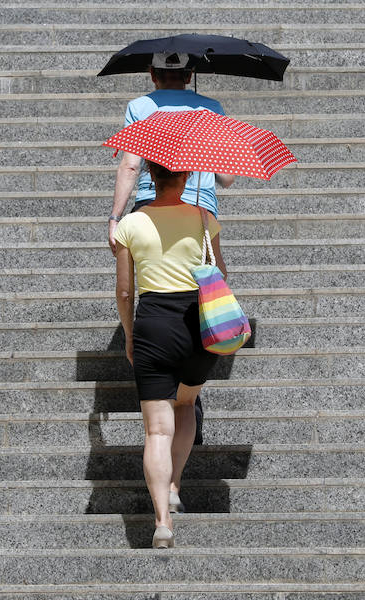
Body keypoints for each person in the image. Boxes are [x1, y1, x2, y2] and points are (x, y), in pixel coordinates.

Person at [108, 52, 235, 446]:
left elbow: (130, 165)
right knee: (199, 292)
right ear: (190, 74)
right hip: (199, 212)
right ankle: (189, 392)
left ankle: (160, 384)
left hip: (153, 204)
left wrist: (115, 217)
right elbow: (227, 177)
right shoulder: (212, 108)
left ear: (152, 73)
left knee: (157, 288)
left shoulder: (141, 107)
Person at [113, 160, 226, 548]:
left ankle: (162, 523)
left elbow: (126, 292)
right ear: (186, 177)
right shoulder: (203, 217)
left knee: (156, 430)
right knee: (186, 404)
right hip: (196, 323)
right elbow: (220, 275)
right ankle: (175, 483)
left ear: (150, 176)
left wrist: (130, 334)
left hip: (153, 325)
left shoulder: (131, 224)